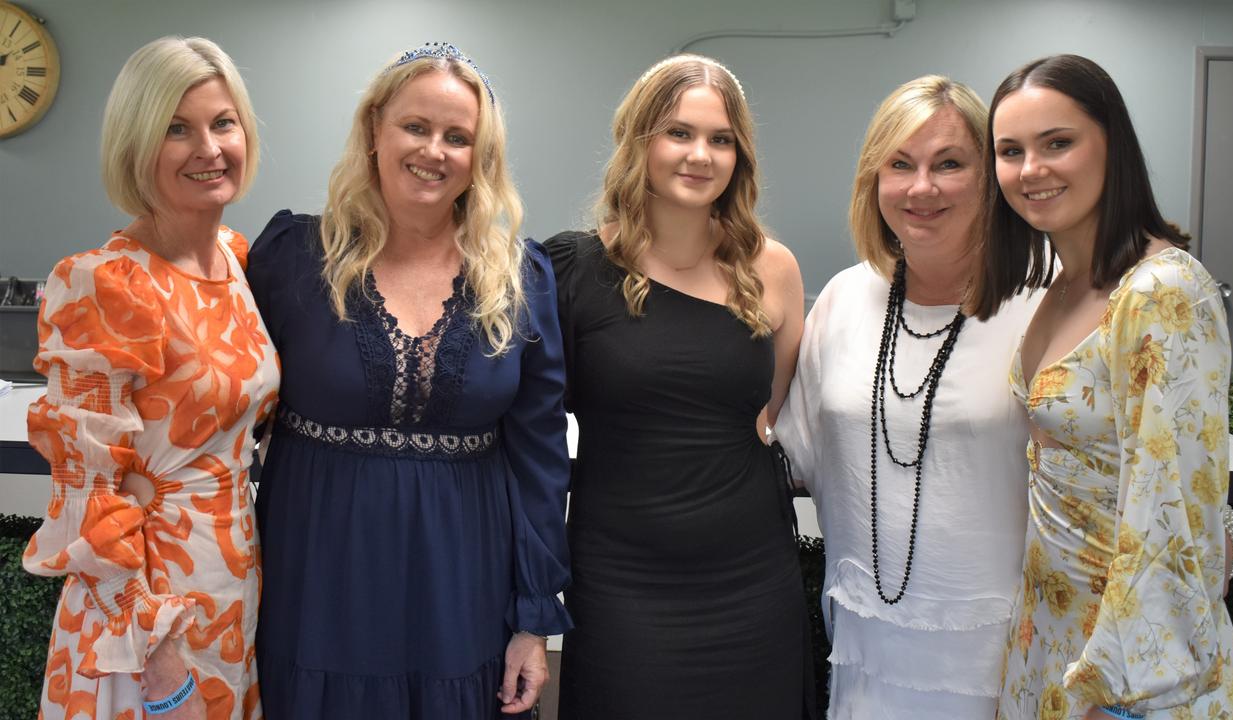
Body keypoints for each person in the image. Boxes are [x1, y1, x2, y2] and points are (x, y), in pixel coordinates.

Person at [246, 43, 571, 719]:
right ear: (374, 130)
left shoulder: (519, 279)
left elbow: (540, 459)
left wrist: (533, 619)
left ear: (479, 156)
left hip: (462, 583)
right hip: (316, 572)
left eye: (459, 137)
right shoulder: (290, 258)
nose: (435, 150)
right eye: (416, 127)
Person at [972, 54, 1233, 719]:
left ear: (1110, 144)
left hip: (1133, 670)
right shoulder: (1063, 285)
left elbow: (1169, 508)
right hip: (1051, 630)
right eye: (1010, 151)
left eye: (1057, 142)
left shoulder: (1162, 291)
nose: (1031, 169)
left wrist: (1116, 691)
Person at [544, 54, 811, 719]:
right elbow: (530, 425)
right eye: (679, 133)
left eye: (721, 139)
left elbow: (767, 415)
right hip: (620, 580)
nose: (701, 155)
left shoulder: (772, 268)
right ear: (640, 141)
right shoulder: (572, 269)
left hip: (751, 577)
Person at [23, 37, 277, 720]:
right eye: (176, 128)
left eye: (223, 122)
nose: (209, 147)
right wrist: (160, 668)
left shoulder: (238, 259)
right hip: (145, 607)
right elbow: (87, 495)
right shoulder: (102, 282)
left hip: (233, 572)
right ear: (136, 146)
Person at [773, 76, 1042, 718]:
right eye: (901, 164)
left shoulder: (1046, 301)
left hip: (1006, 656)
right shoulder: (843, 299)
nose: (923, 188)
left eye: (950, 163)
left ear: (990, 177)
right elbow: (793, 452)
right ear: (874, 181)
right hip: (868, 644)